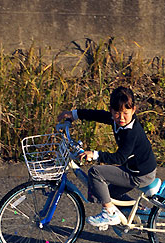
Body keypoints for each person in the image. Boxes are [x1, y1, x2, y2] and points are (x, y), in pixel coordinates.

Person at [58, 86, 157, 227]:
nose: (121, 118)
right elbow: (97, 115)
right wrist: (74, 114)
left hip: (139, 174)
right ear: (111, 110)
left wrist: (95, 154)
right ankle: (138, 211)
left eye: (125, 113)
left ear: (133, 110)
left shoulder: (131, 132)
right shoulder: (117, 120)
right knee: (108, 193)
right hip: (135, 168)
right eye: (117, 113)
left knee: (96, 172)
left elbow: (119, 158)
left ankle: (109, 214)